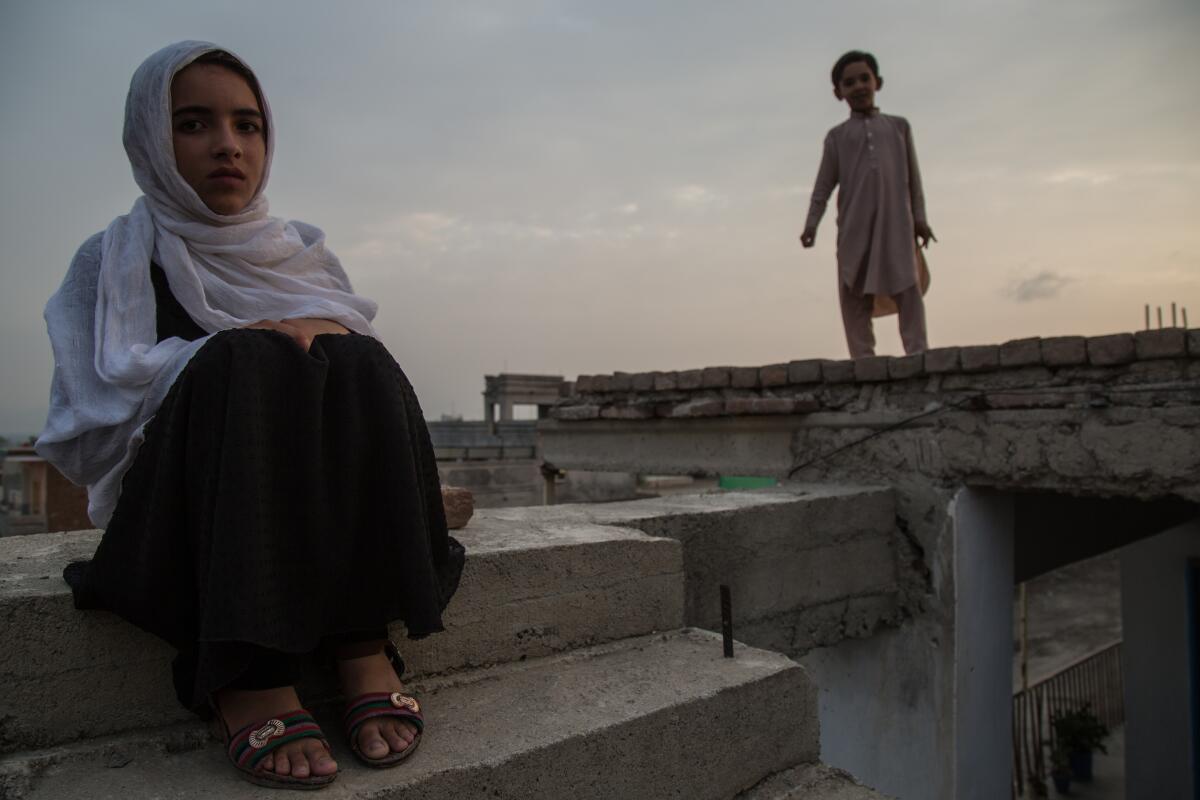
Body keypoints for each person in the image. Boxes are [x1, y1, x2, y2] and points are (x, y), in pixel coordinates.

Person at [35, 41, 464, 790]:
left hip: (307, 516)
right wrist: (237, 350)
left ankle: (361, 640)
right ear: (149, 140)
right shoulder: (113, 261)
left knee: (358, 355)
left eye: (248, 125)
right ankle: (249, 669)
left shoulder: (298, 254)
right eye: (194, 124)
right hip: (184, 524)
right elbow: (88, 425)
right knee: (242, 360)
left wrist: (318, 337)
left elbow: (349, 406)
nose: (228, 146)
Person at [800, 50, 935, 359]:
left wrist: (920, 218)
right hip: (854, 226)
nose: (858, 86)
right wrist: (811, 223)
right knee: (853, 289)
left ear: (878, 82)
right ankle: (863, 360)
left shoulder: (899, 127)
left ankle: (919, 354)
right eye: (849, 83)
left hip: (897, 223)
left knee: (908, 287)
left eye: (864, 79)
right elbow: (823, 186)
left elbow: (914, 179)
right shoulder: (836, 137)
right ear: (838, 93)